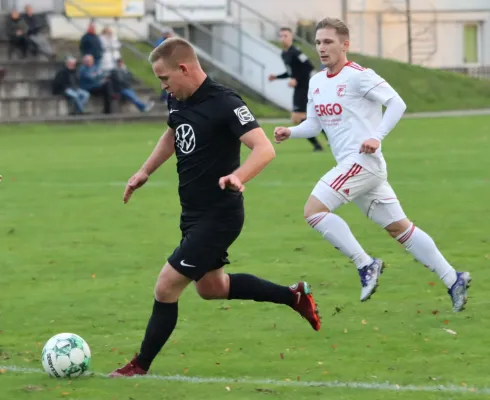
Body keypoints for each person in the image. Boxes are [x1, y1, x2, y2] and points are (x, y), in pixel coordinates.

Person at [109, 37, 321, 377]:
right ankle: (294, 296)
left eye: (165, 78)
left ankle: (140, 365)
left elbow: (264, 149)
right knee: (212, 288)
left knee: (166, 286)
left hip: (220, 215)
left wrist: (239, 176)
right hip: (192, 213)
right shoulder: (176, 100)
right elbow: (173, 133)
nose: (163, 86)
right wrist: (144, 171)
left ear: (184, 68)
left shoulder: (225, 102)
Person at [274, 18, 471, 312]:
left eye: (328, 42)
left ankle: (366, 264)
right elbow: (314, 125)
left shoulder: (359, 76)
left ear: (345, 44)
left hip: (362, 162)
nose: (322, 48)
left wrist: (376, 137)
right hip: (357, 169)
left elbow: (397, 103)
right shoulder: (316, 82)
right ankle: (453, 278)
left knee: (313, 211)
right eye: (318, 42)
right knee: (400, 229)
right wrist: (292, 131)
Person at [268, 27, 326, 152]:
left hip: (304, 88)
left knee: (298, 117)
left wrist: (297, 80)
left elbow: (308, 68)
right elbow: (291, 73)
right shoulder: (284, 53)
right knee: (301, 118)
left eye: (286, 36)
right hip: (298, 88)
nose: (283, 38)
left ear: (291, 37)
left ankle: (319, 144)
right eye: (281, 36)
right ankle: (325, 138)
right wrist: (276, 77)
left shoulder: (296, 52)